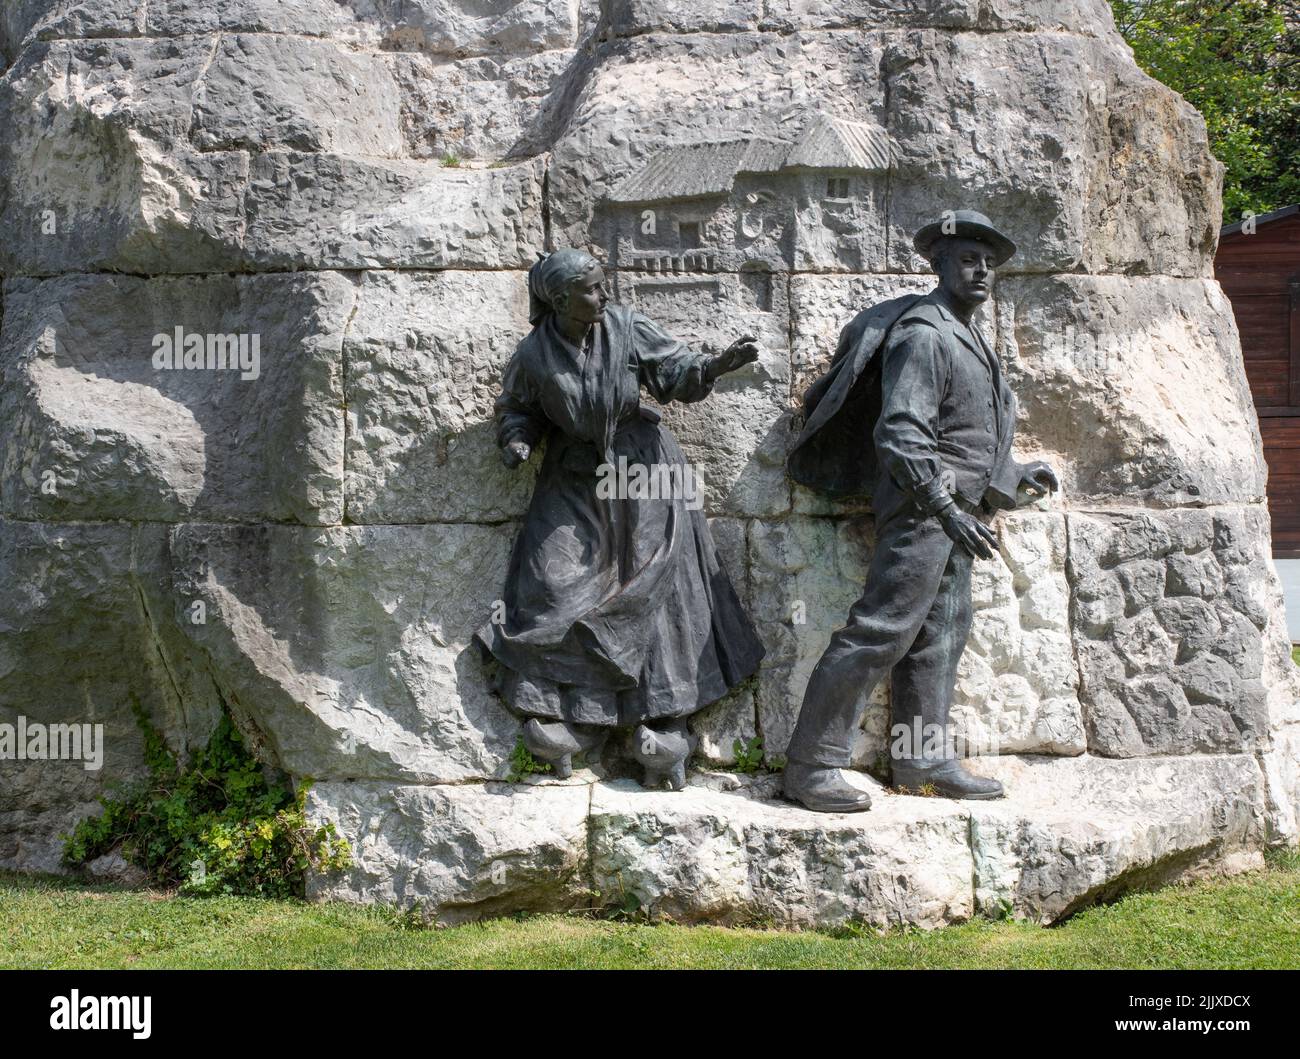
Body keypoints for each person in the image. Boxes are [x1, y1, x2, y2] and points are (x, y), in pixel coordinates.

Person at [782, 210, 1059, 812]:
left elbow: (966, 432)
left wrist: (1013, 473)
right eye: (968, 259)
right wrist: (944, 508)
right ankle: (810, 765)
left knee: (940, 637)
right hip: (924, 510)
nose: (982, 270)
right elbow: (903, 434)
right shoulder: (925, 333)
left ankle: (922, 760)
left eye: (989, 262)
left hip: (958, 510)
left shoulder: (967, 334)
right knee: (879, 632)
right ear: (937, 264)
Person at [475, 248, 766, 790]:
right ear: (560, 299)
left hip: (643, 470)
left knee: (654, 585)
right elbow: (519, 407)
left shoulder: (627, 328)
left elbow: (675, 373)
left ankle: (663, 716)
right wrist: (516, 439)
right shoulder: (534, 354)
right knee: (550, 581)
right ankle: (567, 713)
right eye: (590, 289)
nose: (602, 296)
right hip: (573, 475)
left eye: (601, 286)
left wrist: (715, 366)